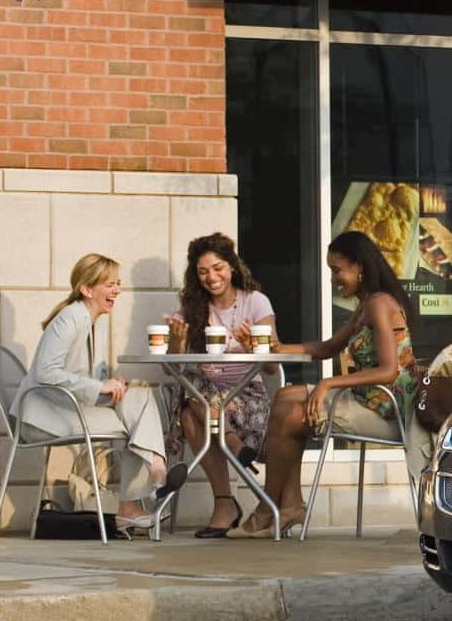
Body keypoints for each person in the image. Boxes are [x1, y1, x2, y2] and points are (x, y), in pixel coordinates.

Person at [251, 231, 425, 538]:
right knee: (283, 398)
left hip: (389, 411)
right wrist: (274, 347)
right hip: (368, 400)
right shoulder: (365, 305)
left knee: (292, 416)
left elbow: (388, 370)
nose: (334, 279)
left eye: (336, 270)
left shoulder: (380, 304)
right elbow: (326, 348)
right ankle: (286, 503)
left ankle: (268, 508)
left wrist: (328, 383)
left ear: (359, 266)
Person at [16, 253, 185, 534]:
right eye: (109, 284)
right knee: (133, 426)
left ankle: (155, 469)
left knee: (139, 397)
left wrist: (108, 382)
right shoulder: (69, 319)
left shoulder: (92, 321)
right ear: (87, 289)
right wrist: (99, 387)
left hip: (68, 409)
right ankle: (141, 492)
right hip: (41, 418)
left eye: (117, 283)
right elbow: (47, 372)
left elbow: (80, 376)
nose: (116, 290)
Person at [162, 233, 276, 539]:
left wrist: (252, 345)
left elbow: (272, 367)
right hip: (208, 400)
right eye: (202, 272)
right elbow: (170, 371)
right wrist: (175, 343)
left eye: (218, 268)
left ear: (233, 267)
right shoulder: (191, 308)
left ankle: (225, 504)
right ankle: (233, 453)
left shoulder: (255, 302)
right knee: (194, 396)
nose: (211, 277)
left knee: (191, 409)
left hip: (246, 401)